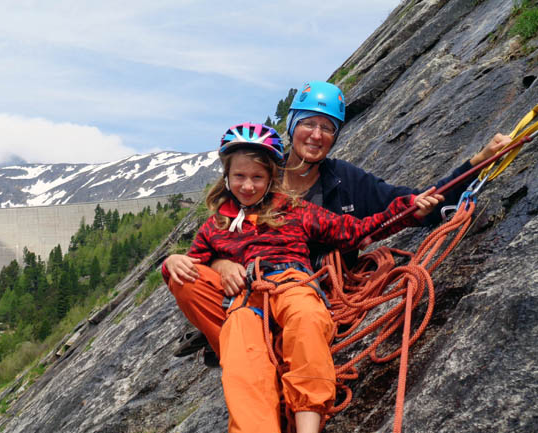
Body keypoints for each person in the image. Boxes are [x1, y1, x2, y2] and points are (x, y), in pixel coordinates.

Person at [162, 123, 444, 433]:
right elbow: (197, 264)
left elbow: (359, 231)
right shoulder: (214, 227)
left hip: (292, 282)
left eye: (257, 177)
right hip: (245, 298)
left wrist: (408, 209)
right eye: (239, 176)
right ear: (226, 175)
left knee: (308, 324)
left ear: (272, 177)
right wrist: (172, 261)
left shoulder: (295, 210)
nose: (247, 185)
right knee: (244, 368)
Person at [172, 81, 512, 360]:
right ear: (292, 127)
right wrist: (219, 263)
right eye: (308, 123)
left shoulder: (345, 181)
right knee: (186, 277)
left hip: (310, 295)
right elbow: (218, 236)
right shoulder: (256, 177)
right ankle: (240, 353)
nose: (316, 135)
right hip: (252, 293)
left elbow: (416, 205)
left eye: (327, 128)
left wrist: (478, 162)